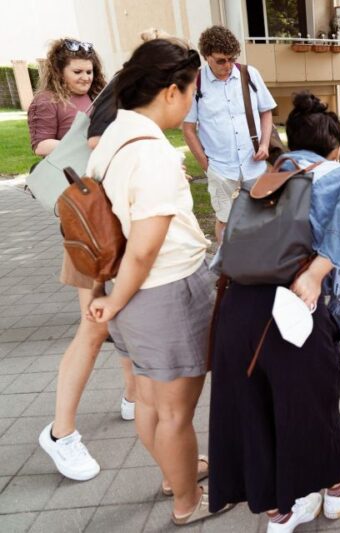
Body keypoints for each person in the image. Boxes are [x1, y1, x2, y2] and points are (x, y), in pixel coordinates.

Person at [208, 91, 340, 532]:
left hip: (238, 308)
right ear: (336, 149)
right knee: (312, 408)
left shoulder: (265, 178)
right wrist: (319, 269)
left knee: (254, 410)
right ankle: (335, 493)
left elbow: (226, 238)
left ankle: (279, 514)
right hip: (295, 308)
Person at [85, 39, 230, 525]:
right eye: (192, 92)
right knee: (175, 414)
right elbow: (146, 247)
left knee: (148, 400)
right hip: (162, 295)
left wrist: (107, 300)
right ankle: (187, 502)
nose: (192, 102)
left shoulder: (111, 137)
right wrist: (116, 300)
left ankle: (176, 474)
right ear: (171, 91)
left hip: (127, 298)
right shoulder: (152, 155)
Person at [28, 37, 137, 483]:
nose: (85, 77)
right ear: (59, 70)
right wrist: (89, 147)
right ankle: (61, 432)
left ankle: (133, 395)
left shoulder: (100, 98)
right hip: (84, 217)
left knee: (120, 319)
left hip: (110, 216)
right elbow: (39, 149)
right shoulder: (46, 102)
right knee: (95, 324)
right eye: (77, 71)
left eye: (89, 71)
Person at [182, 25, 277, 244]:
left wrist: (264, 144)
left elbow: (266, 111)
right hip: (220, 168)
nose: (228, 65)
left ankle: (262, 266)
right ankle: (229, 269)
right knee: (225, 220)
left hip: (254, 164)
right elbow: (188, 129)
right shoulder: (195, 83)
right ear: (207, 57)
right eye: (221, 60)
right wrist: (207, 166)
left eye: (232, 59)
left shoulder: (249, 74)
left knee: (262, 218)